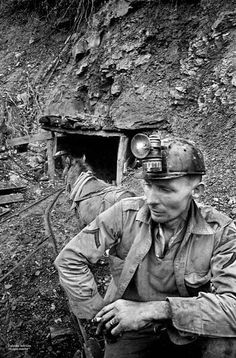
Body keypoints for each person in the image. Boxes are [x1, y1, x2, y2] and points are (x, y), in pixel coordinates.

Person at [54, 133, 236, 358]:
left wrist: (154, 310)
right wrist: (97, 313)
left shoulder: (221, 231)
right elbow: (70, 258)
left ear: (196, 191)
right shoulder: (124, 214)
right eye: (148, 185)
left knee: (226, 346)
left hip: (189, 325)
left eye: (165, 189)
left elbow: (233, 307)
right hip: (133, 328)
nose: (150, 199)